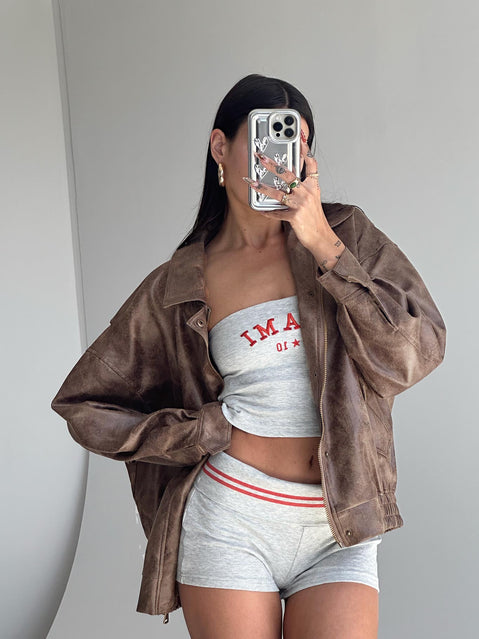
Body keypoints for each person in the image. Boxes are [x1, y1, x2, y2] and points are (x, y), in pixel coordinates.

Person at [51, 73, 446, 638]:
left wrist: (322, 242)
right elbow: (85, 403)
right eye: (268, 137)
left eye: (299, 143)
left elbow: (413, 354)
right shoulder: (182, 281)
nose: (284, 156)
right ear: (220, 147)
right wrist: (200, 432)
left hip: (338, 525)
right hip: (229, 517)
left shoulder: (347, 236)